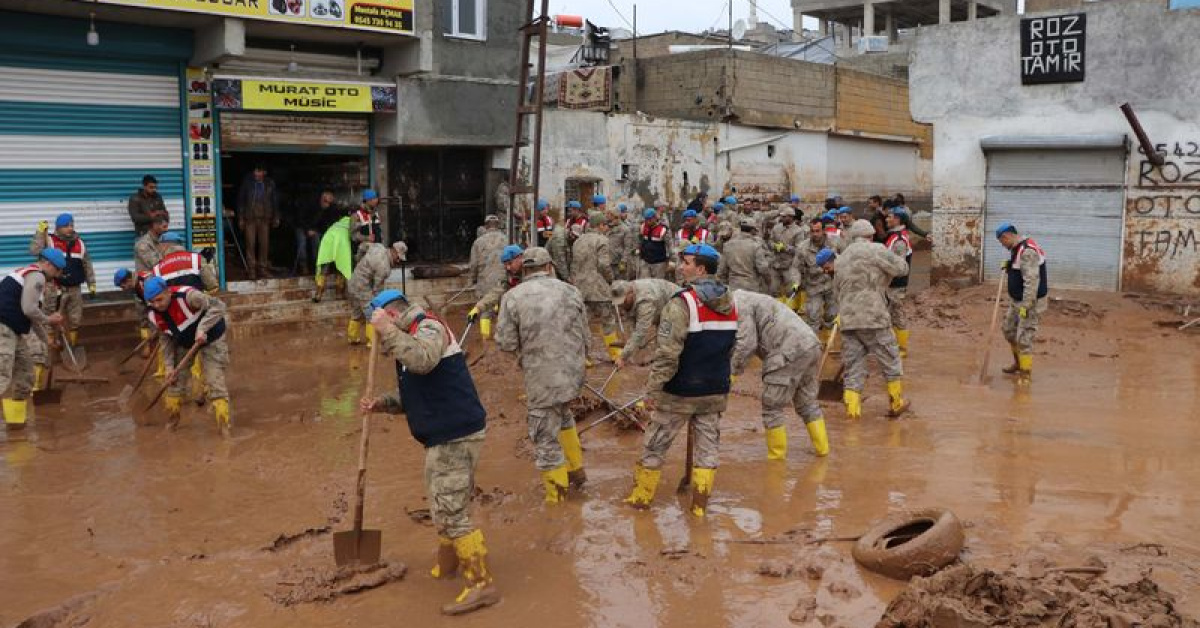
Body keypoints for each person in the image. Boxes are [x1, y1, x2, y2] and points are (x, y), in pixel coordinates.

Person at [361, 289, 499, 616]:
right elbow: (416, 391)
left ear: (391, 315)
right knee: (441, 502)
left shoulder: (428, 328)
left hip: (456, 433)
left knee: (450, 508)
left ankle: (482, 585)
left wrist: (386, 331)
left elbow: (422, 361)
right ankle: (450, 564)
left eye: (378, 323)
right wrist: (383, 404)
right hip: (443, 434)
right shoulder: (409, 336)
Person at [625, 244, 736, 517]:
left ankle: (641, 500)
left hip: (680, 392)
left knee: (655, 445)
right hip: (715, 390)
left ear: (700, 269)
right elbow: (732, 347)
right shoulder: (730, 302)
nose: (680, 267)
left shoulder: (681, 303)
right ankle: (699, 508)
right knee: (707, 450)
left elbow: (667, 356)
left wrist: (651, 392)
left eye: (685, 262)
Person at [494, 247, 589, 501]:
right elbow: (586, 336)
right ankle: (577, 473)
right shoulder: (571, 291)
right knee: (564, 414)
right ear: (549, 267)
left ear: (524, 270)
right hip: (574, 374)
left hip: (541, 377)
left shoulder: (512, 297)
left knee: (545, 437)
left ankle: (556, 502)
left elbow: (505, 342)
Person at [730, 289, 828, 460]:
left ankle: (776, 462)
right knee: (807, 403)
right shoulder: (749, 298)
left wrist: (731, 375)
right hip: (810, 345)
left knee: (772, 406)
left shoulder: (738, 304)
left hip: (787, 350)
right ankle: (823, 451)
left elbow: (747, 344)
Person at [833, 220, 910, 420]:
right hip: (874, 316)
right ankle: (896, 402)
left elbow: (836, 290)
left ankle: (852, 412)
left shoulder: (841, 258)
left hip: (848, 319)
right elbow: (902, 269)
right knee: (890, 359)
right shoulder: (877, 249)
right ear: (871, 235)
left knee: (853, 366)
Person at [143, 276, 232, 436]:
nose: (157, 305)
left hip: (212, 335)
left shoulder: (189, 296)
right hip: (185, 340)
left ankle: (223, 426)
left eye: (159, 300)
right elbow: (165, 339)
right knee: (174, 380)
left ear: (168, 292)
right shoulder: (152, 313)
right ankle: (173, 418)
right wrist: (169, 367)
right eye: (152, 302)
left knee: (214, 379)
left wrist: (202, 328)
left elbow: (219, 306)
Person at [1, 250, 65, 429]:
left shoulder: (31, 276)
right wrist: (50, 319)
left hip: (13, 330)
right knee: (2, 375)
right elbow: (29, 309)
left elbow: (33, 318)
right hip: (3, 327)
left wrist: (48, 341)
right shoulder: (37, 276)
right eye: (58, 271)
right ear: (49, 265)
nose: (58, 275)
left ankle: (15, 424)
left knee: (26, 373)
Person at [29, 213, 95, 345]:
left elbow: (87, 264)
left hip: (74, 287)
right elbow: (34, 250)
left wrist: (91, 283)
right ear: (58, 227)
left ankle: (71, 346)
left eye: (72, 225)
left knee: (75, 318)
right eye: (66, 226)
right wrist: (40, 233)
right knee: (49, 316)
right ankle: (50, 348)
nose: (70, 228)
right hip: (54, 286)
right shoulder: (50, 241)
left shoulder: (80, 243)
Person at [996, 223, 1048, 383]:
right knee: (1008, 330)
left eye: (1001, 242)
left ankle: (1025, 375)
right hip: (1017, 300)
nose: (1002, 245)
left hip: (1030, 302)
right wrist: (1010, 266)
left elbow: (1031, 281)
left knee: (1024, 338)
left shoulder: (1027, 252)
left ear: (1007, 236)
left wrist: (1026, 306)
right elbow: (1021, 269)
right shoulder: (1017, 248)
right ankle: (1018, 363)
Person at [571, 211, 618, 361]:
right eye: (605, 225)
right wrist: (611, 279)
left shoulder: (578, 241)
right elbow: (603, 265)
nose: (607, 228)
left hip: (581, 289)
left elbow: (574, 264)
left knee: (582, 323)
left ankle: (583, 357)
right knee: (608, 321)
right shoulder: (602, 240)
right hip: (599, 289)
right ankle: (616, 355)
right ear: (600, 225)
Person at [346, 241, 407, 346]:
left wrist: (358, 259)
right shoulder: (385, 268)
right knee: (371, 312)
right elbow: (377, 290)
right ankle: (372, 342)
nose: (398, 261)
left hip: (353, 281)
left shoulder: (378, 246)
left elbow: (362, 246)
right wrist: (380, 306)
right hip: (362, 286)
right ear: (394, 251)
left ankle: (352, 337)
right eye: (398, 257)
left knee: (357, 311)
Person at [611, 278, 680, 368]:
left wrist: (623, 357)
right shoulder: (628, 288)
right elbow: (634, 323)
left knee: (665, 343)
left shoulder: (645, 301)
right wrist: (630, 345)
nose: (621, 305)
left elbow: (640, 331)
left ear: (630, 293)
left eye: (623, 301)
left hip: (677, 305)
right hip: (663, 306)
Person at [468, 245, 524, 340]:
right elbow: (497, 292)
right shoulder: (509, 274)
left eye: (510, 263)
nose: (508, 268)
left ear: (520, 258)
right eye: (505, 264)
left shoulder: (532, 271)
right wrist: (478, 307)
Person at [795, 218, 838, 338]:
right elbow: (795, 268)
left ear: (824, 230)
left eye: (818, 231)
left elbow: (844, 259)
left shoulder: (835, 243)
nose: (815, 234)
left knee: (832, 315)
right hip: (813, 286)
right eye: (812, 231)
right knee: (813, 315)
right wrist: (796, 282)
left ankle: (830, 342)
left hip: (832, 284)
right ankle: (813, 344)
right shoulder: (803, 248)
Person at [466, 216, 508, 339]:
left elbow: (473, 264)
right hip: (503, 279)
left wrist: (471, 279)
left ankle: (485, 339)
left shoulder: (478, 242)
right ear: (498, 225)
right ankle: (502, 337)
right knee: (503, 308)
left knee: (485, 311)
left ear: (485, 226)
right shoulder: (506, 239)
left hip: (485, 280)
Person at [236, 165, 280, 279]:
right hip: (250, 218)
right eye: (255, 170)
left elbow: (275, 201)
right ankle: (251, 270)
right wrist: (240, 218)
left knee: (264, 245)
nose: (256, 173)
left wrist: (276, 216)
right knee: (250, 244)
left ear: (264, 172)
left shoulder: (269, 184)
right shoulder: (248, 183)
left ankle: (263, 269)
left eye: (258, 171)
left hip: (265, 218)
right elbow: (241, 201)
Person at [884, 208, 913, 358]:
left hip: (896, 284)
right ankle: (894, 345)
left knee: (897, 314)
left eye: (889, 216)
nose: (886, 219)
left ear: (897, 219)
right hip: (891, 283)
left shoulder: (900, 240)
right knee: (891, 314)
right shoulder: (894, 236)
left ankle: (902, 348)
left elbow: (899, 266)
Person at [716, 218, 772, 294]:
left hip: (734, 287)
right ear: (752, 230)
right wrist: (769, 281)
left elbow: (721, 271)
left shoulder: (728, 246)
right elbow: (763, 268)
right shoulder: (756, 246)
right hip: (752, 287)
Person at [295, 189, 341, 278]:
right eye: (326, 201)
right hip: (301, 226)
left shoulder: (329, 208)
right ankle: (303, 266)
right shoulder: (310, 202)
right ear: (322, 197)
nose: (327, 205)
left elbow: (328, 221)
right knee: (302, 243)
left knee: (317, 243)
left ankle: (318, 266)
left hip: (314, 228)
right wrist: (307, 229)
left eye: (329, 203)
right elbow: (300, 217)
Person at [154, 232, 218, 292]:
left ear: (164, 246)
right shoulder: (196, 258)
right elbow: (211, 284)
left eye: (160, 246)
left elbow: (156, 295)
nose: (159, 249)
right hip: (196, 301)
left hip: (174, 303)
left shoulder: (158, 268)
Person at [768, 206, 804, 304]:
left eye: (784, 217)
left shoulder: (798, 231)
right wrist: (774, 245)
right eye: (781, 216)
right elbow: (770, 241)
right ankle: (775, 311)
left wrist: (785, 247)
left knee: (791, 292)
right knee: (773, 290)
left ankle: (791, 312)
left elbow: (799, 249)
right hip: (775, 265)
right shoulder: (776, 228)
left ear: (791, 217)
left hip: (790, 266)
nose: (781, 218)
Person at [637, 209, 671, 279]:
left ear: (655, 218)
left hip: (659, 262)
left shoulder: (663, 229)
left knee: (658, 283)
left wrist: (669, 260)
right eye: (646, 219)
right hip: (645, 260)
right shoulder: (643, 226)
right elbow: (640, 240)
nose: (647, 222)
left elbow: (669, 245)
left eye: (649, 219)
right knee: (644, 282)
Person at [351, 189, 383, 264]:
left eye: (376, 198)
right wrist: (366, 238)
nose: (376, 200)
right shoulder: (357, 215)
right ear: (368, 201)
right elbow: (353, 236)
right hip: (362, 252)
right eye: (373, 199)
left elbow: (379, 231)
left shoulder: (376, 214)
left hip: (376, 251)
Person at [606, 207, 631, 280]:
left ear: (617, 217)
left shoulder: (625, 229)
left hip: (619, 263)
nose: (609, 218)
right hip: (608, 261)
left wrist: (623, 261)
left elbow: (628, 247)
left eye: (610, 216)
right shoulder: (607, 228)